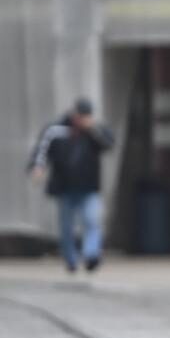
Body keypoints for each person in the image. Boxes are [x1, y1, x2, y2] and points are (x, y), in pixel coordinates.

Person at [28, 98, 114, 274]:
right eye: (81, 115)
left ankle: (91, 254)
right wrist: (38, 167)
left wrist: (92, 130)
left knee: (92, 222)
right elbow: (42, 150)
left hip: (89, 188)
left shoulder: (94, 132)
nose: (83, 119)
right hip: (65, 188)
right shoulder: (56, 131)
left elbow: (108, 144)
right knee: (67, 227)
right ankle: (71, 259)